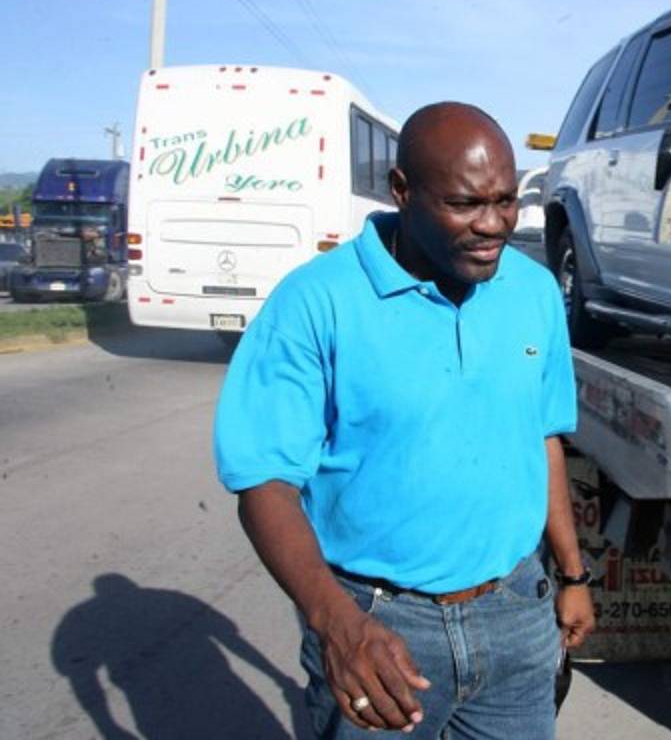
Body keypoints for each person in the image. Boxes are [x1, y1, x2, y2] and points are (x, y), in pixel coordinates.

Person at [213, 102, 595, 738]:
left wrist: (573, 575)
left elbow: (544, 437)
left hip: (515, 615)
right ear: (402, 191)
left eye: (506, 202)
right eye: (466, 204)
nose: (493, 225)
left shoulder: (531, 292)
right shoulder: (316, 302)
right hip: (380, 629)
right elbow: (264, 485)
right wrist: (336, 625)